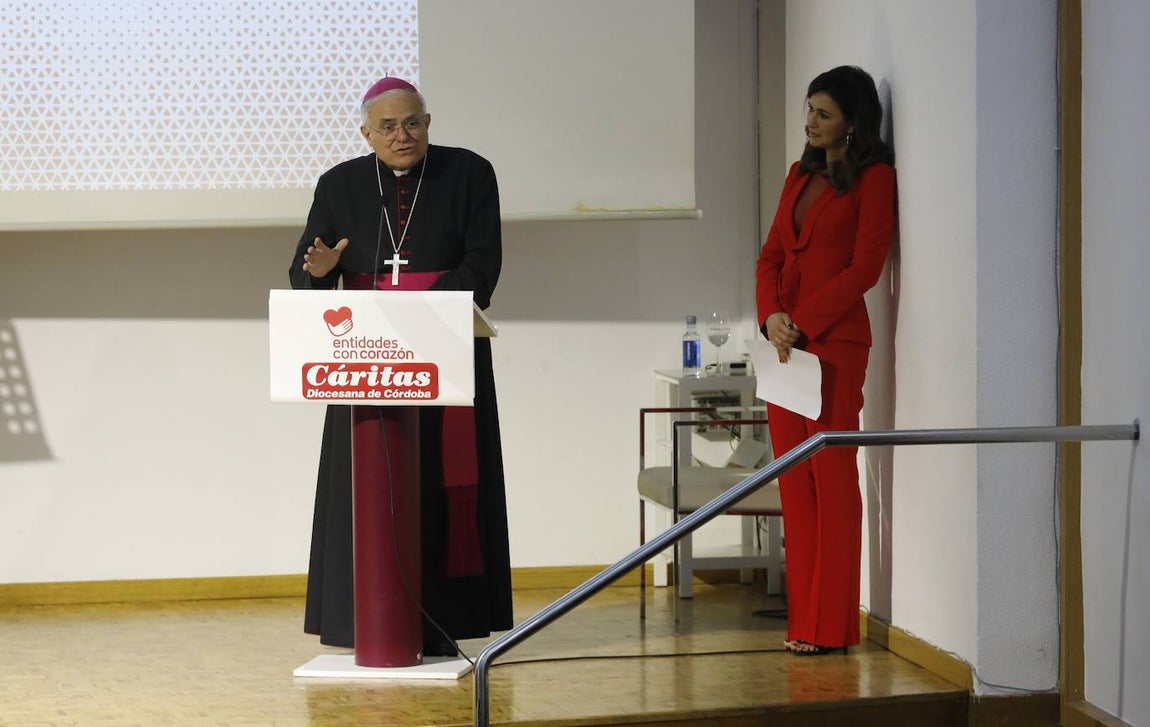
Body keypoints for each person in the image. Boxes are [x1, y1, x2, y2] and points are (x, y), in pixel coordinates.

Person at [288, 76, 512, 656]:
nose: (402, 135)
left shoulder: (469, 174)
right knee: (365, 485)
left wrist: (419, 306)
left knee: (444, 480)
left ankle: (442, 621)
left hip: (444, 347)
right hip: (369, 357)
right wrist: (318, 272)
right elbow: (306, 271)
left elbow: (483, 267)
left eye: (412, 121)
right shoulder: (338, 185)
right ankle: (361, 620)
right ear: (366, 133)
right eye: (387, 126)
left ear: (429, 123)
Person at [755, 66, 896, 656]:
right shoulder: (798, 174)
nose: (810, 123)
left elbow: (865, 270)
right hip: (784, 347)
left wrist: (805, 321)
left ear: (853, 123)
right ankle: (802, 622)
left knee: (832, 478)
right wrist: (771, 319)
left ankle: (832, 625)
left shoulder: (874, 178)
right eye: (809, 110)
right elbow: (769, 257)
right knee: (794, 482)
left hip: (834, 346)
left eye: (823, 114)